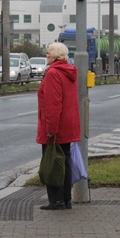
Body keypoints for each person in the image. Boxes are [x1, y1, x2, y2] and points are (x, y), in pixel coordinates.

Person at [36, 42, 81, 210]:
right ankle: (66, 199)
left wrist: (51, 129)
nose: (46, 56)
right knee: (65, 161)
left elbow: (53, 104)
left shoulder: (53, 73)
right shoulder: (68, 71)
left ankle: (56, 200)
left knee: (53, 162)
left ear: (55, 56)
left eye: (48, 53)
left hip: (57, 125)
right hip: (69, 123)